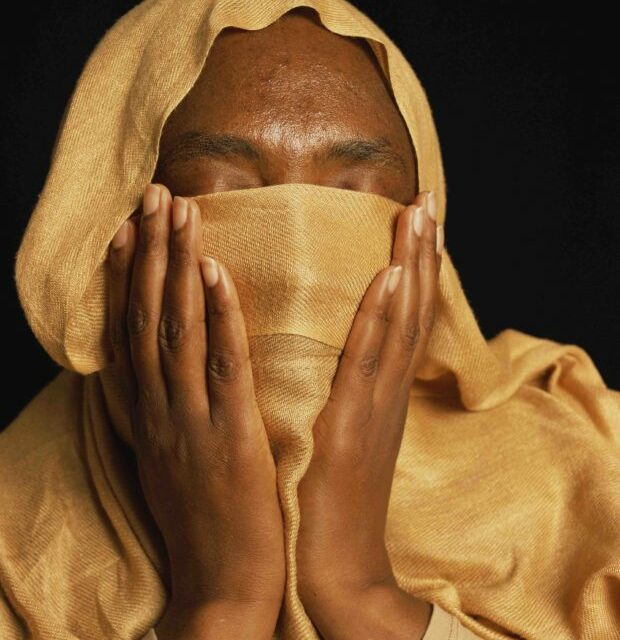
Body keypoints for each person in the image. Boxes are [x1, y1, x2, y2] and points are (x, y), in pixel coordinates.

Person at [2, 1, 619, 639]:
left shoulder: (594, 471)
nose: (297, 263)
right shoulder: (17, 539)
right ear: (108, 230)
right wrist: (223, 603)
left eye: (351, 196)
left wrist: (359, 591)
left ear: (424, 235)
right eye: (229, 189)